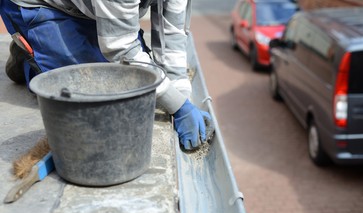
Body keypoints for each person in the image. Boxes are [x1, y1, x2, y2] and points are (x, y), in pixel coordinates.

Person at [0, 0, 213, 151]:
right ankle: (30, 53)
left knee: (131, 80)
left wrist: (182, 98)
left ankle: (51, 45)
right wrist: (179, 108)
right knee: (92, 92)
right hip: (41, 5)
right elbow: (122, 48)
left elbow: (172, 36)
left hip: (89, 8)